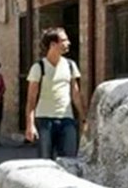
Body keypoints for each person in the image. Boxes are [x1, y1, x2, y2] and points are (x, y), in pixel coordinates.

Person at [25, 27, 85, 160]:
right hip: (45, 120)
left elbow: (76, 94)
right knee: (45, 161)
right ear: (53, 44)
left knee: (69, 160)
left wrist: (83, 117)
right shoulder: (38, 67)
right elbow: (31, 100)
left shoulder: (70, 65)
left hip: (67, 118)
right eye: (64, 40)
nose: (68, 43)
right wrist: (30, 125)